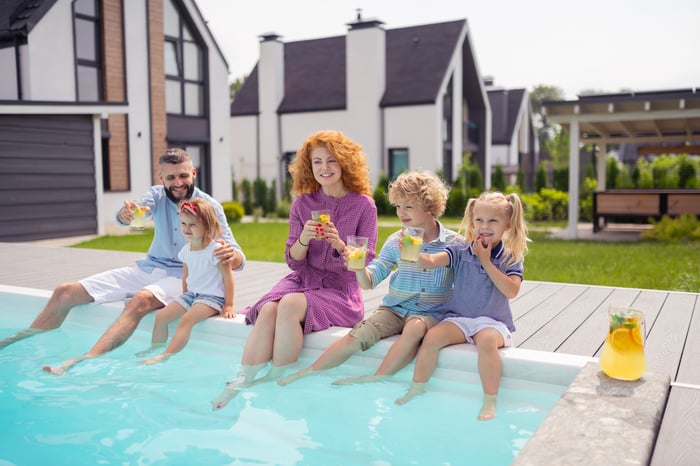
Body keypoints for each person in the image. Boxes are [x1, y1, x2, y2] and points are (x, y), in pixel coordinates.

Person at [0, 148, 245, 374]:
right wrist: (125, 214)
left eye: (183, 176)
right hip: (149, 268)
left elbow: (238, 258)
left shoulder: (209, 207)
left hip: (180, 276)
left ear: (193, 173)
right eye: (170, 178)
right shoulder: (156, 196)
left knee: (141, 299)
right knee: (64, 292)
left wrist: (228, 255)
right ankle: (11, 344)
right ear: (162, 178)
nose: (178, 183)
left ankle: (81, 361)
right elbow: (131, 215)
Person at [211, 129, 377, 410]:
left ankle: (278, 378)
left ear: (345, 163)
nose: (324, 168)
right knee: (269, 309)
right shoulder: (303, 203)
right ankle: (242, 379)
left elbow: (363, 263)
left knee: (288, 304)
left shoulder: (364, 206)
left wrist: (338, 243)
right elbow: (293, 260)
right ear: (309, 167)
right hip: (302, 278)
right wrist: (304, 239)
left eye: (331, 161)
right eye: (317, 162)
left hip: (340, 290)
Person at [278, 170, 463, 387]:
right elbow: (369, 282)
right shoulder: (396, 242)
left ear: (430, 206)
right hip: (395, 309)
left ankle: (376, 378)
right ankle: (309, 372)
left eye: (408, 206)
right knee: (357, 335)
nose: (401, 213)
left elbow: (467, 284)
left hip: (431, 313)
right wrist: (356, 267)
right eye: (397, 206)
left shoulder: (455, 244)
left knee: (414, 328)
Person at [395, 191, 529, 421]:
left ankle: (489, 400)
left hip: (492, 322)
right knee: (432, 338)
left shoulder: (510, 257)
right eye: (479, 220)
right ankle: (417, 387)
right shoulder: (460, 250)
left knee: (486, 342)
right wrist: (413, 251)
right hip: (459, 319)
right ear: (472, 221)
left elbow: (511, 290)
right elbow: (430, 262)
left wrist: (486, 261)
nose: (484, 226)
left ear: (507, 225)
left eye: (493, 221)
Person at [137, 198, 235, 365]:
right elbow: (185, 277)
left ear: (207, 225)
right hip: (192, 295)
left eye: (192, 225)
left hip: (211, 298)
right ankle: (155, 349)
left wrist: (229, 305)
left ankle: (165, 356)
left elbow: (228, 278)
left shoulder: (216, 250)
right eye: (183, 224)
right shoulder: (185, 251)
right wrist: (183, 299)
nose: (186, 228)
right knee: (161, 317)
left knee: (186, 320)